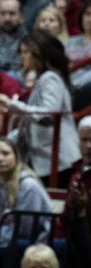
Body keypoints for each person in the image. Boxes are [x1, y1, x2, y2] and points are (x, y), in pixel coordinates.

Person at [0, 30, 80, 184]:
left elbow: (49, 113)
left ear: (38, 54)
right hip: (47, 159)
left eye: (26, 52)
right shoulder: (42, 79)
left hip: (59, 159)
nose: (22, 57)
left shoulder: (50, 78)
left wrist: (12, 105)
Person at [0, 137, 52, 248]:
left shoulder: (28, 185)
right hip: (11, 236)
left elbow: (27, 229)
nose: (0, 158)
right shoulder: (3, 183)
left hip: (36, 241)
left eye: (5, 153)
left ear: (16, 157)